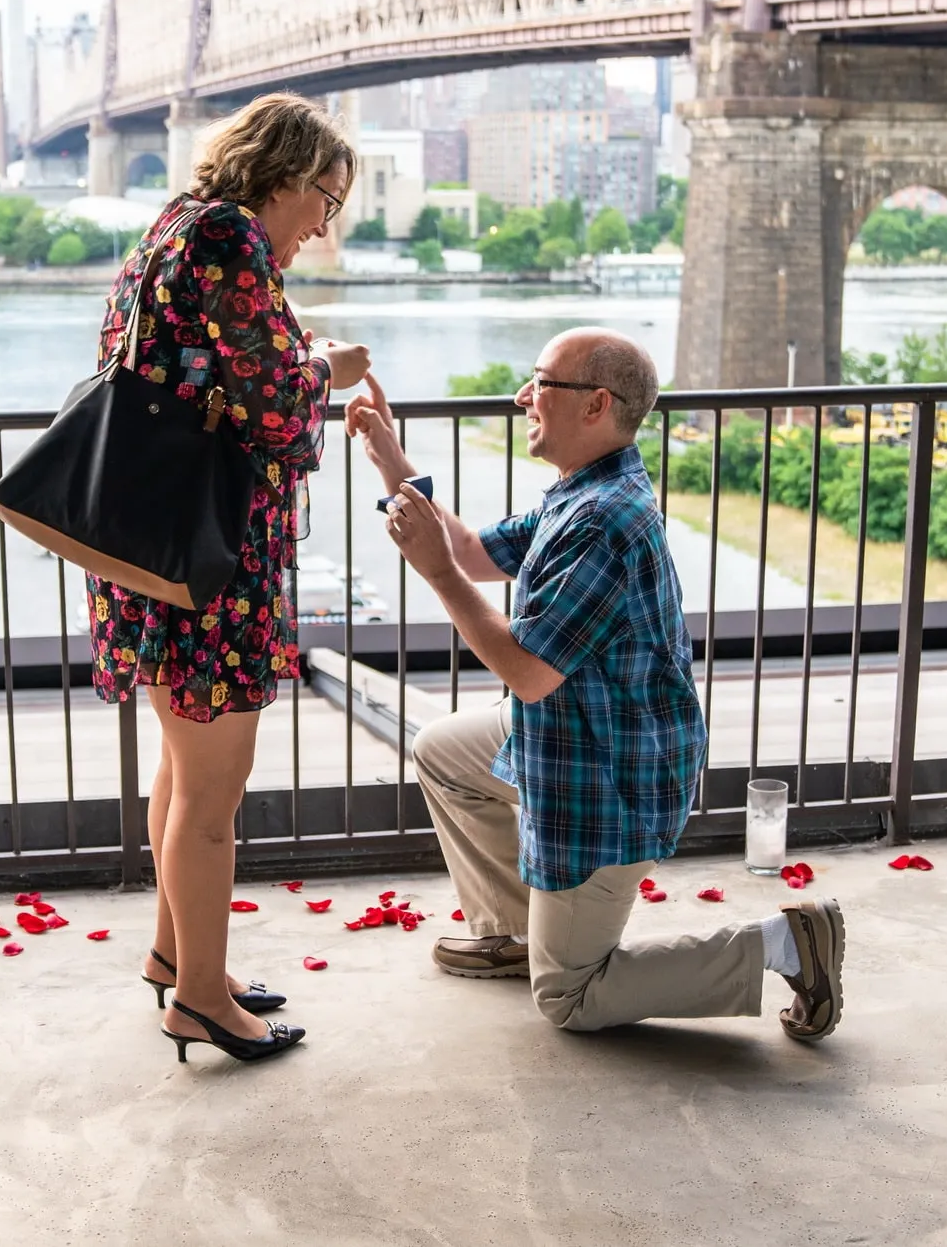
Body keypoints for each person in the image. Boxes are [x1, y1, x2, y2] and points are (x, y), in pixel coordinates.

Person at [345, 331, 845, 1042]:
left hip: (609, 778)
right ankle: (518, 932)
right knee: (442, 751)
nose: (523, 396)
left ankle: (785, 942)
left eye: (540, 381)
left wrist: (438, 577)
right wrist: (393, 462)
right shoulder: (582, 489)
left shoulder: (604, 521)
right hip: (574, 735)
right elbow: (469, 550)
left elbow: (525, 670)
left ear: (596, 404)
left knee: (569, 999)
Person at [88, 93, 370, 1065]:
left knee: (182, 771)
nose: (323, 226)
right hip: (211, 567)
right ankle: (200, 1000)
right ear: (284, 175)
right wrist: (327, 367)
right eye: (325, 200)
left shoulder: (173, 225)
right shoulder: (228, 238)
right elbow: (272, 408)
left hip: (159, 552)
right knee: (215, 795)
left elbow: (202, 378)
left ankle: (179, 958)